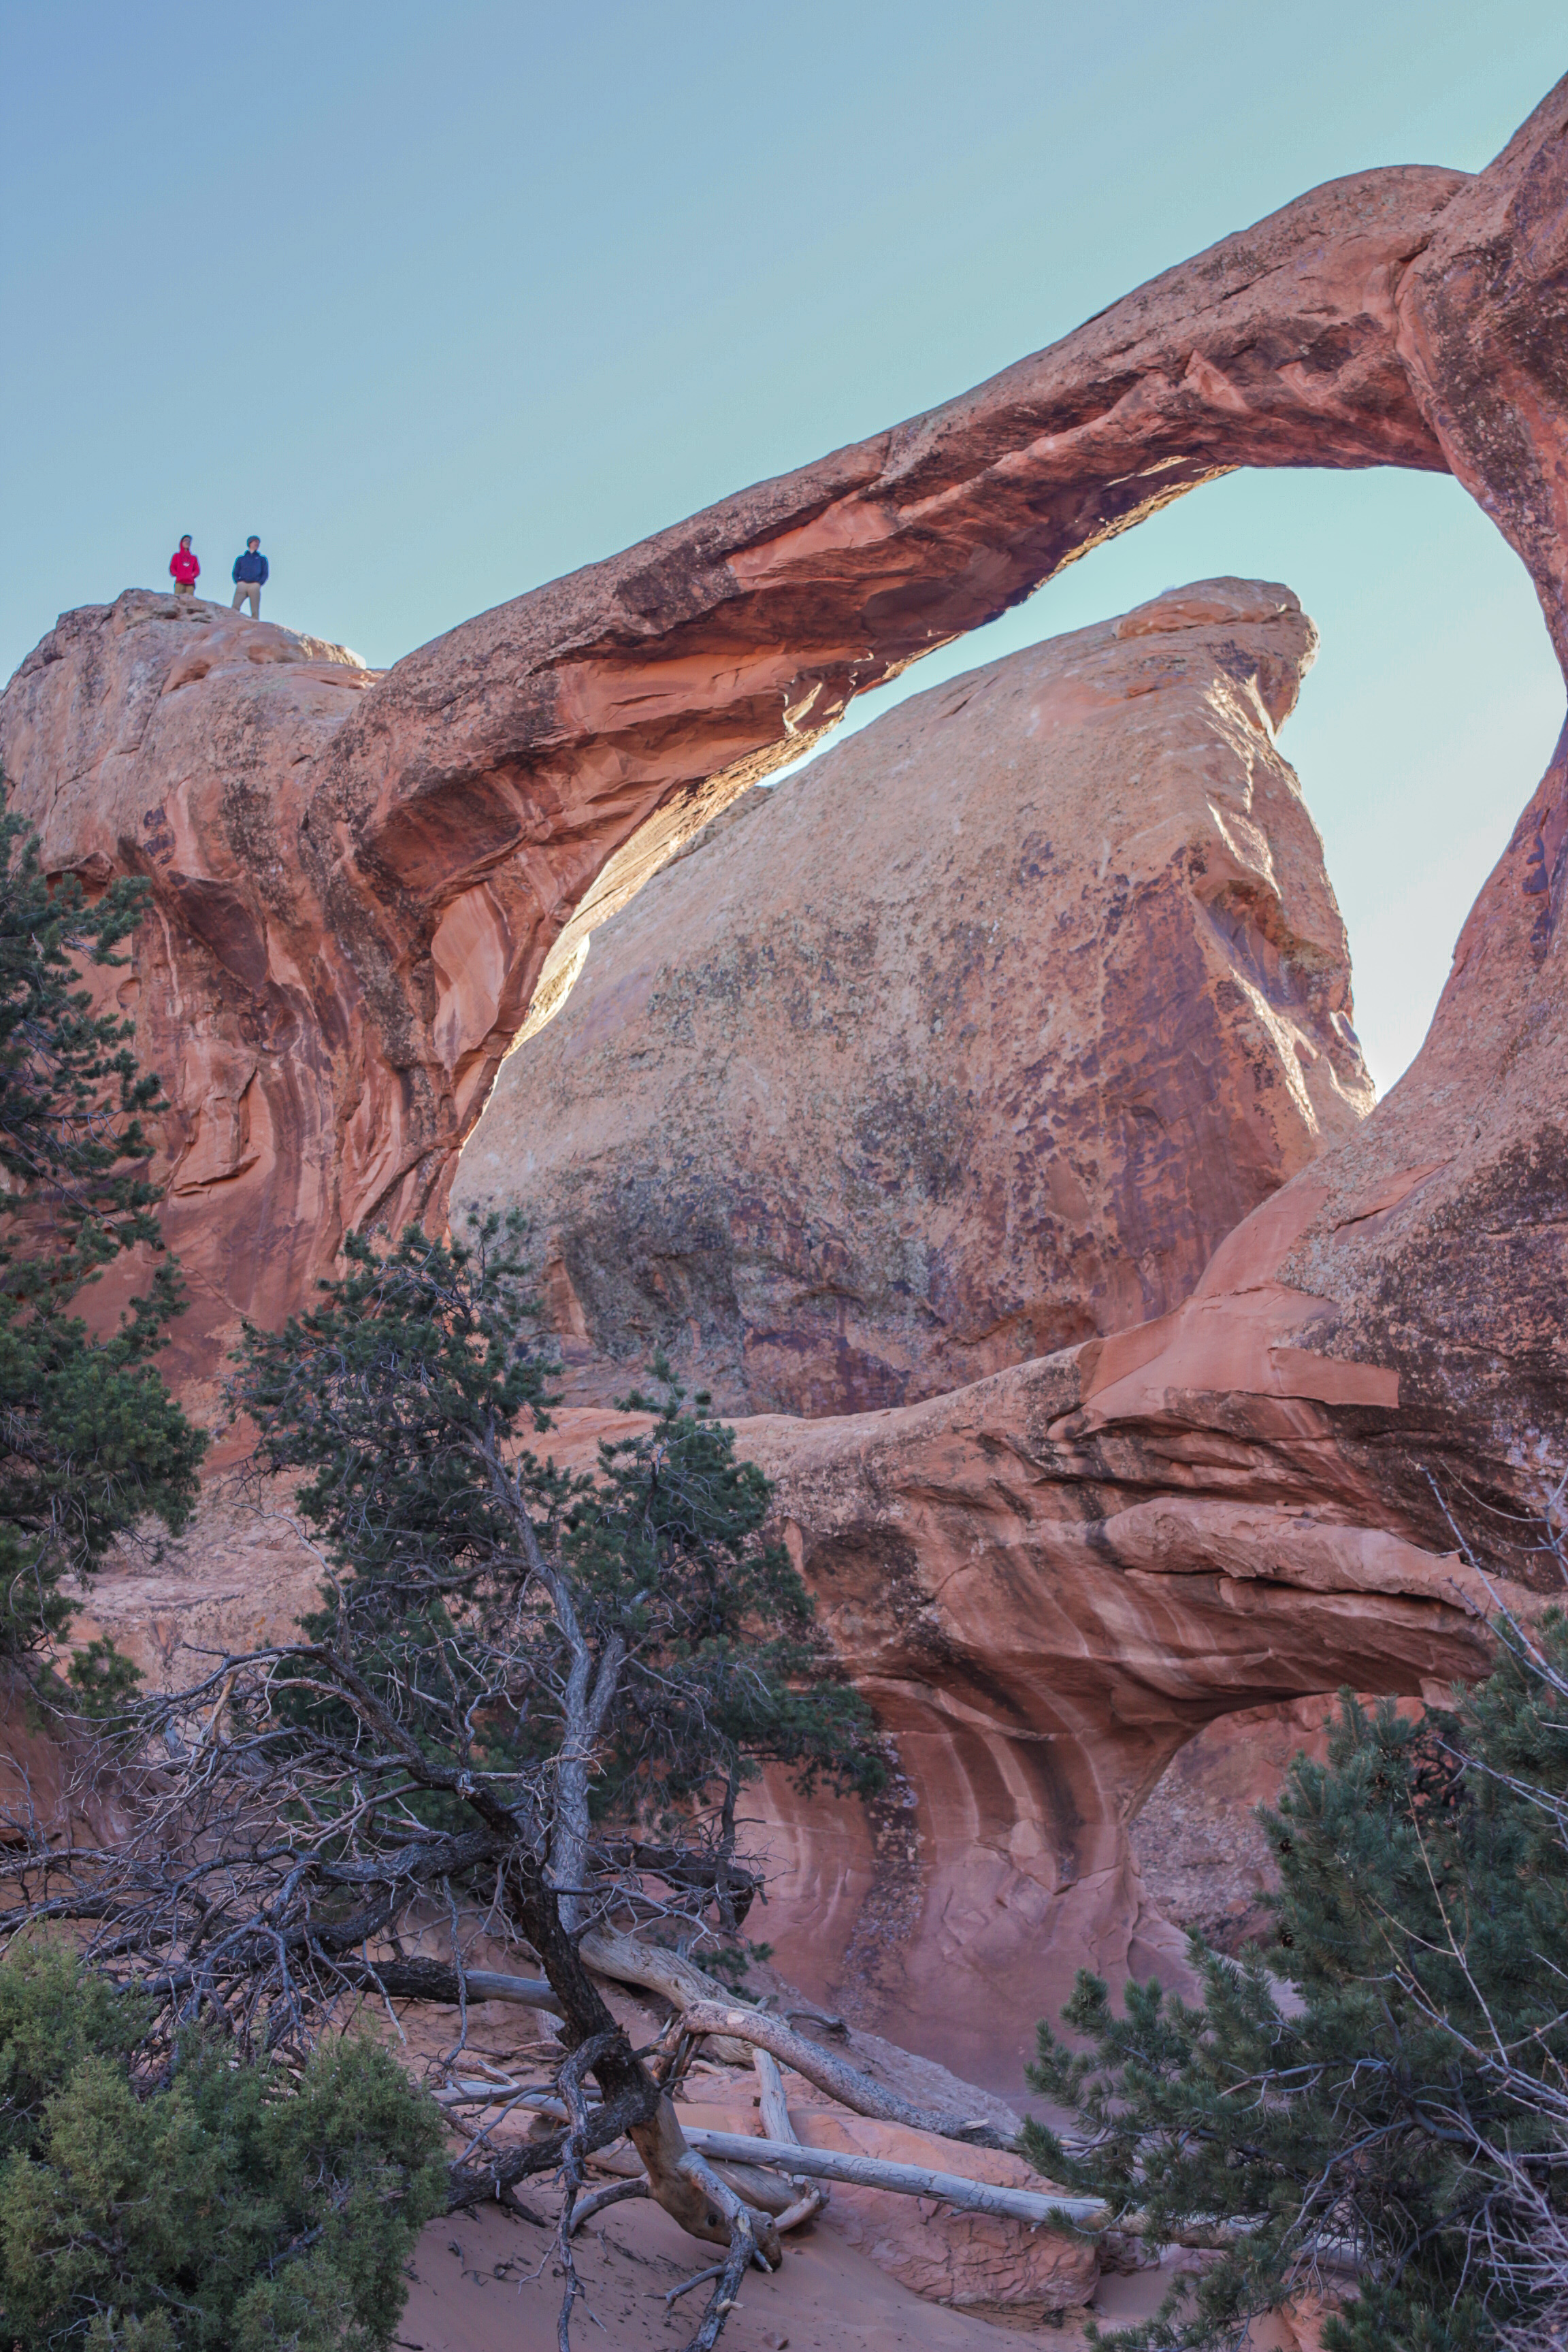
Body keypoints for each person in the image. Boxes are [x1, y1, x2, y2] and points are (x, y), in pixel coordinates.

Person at [231, 536, 268, 617]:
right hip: (242, 584)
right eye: (255, 542)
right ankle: (231, 623)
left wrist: (259, 583)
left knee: (255, 611)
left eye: (258, 542)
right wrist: (238, 581)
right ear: (250, 543)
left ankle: (255, 627)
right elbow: (235, 572)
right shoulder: (241, 559)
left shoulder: (262, 559)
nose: (257, 544)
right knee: (235, 607)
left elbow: (265, 573)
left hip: (255, 585)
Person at [169, 536, 200, 600]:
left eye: (189, 541)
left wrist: (192, 575)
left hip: (190, 583)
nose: (188, 542)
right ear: (181, 543)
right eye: (186, 540)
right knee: (177, 601)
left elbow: (197, 570)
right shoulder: (176, 556)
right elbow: (172, 568)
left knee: (190, 603)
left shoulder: (193, 558)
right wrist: (178, 574)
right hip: (179, 582)